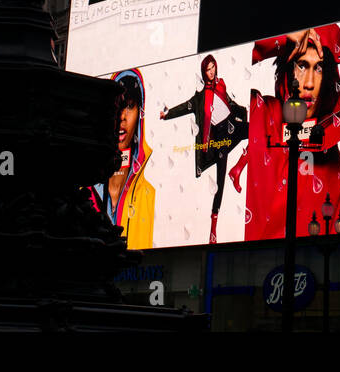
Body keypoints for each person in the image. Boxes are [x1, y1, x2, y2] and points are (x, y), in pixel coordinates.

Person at [229, 25, 340, 241]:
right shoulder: (259, 110)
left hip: (302, 273)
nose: (309, 83)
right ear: (288, 68)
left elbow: (332, 257)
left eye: (319, 68)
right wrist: (285, 37)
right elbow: (230, 61)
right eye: (302, 65)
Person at [160, 55, 248, 243]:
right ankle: (213, 229)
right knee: (220, 182)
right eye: (208, 69)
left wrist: (243, 110)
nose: (211, 72)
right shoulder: (200, 98)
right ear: (203, 72)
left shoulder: (221, 85)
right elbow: (185, 107)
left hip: (231, 125)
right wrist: (167, 115)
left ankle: (238, 168)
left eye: (213, 67)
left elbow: (230, 104)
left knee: (256, 131)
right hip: (219, 138)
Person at [89, 69, 156, 249]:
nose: (122, 117)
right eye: (117, 107)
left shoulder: (150, 196)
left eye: (130, 106)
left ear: (140, 113)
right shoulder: (84, 190)